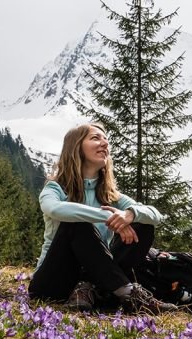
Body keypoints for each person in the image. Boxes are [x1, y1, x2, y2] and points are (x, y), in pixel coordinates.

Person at [28, 122, 177, 313]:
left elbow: (156, 216)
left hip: (95, 285)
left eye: (105, 139)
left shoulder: (110, 196)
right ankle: (129, 293)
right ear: (76, 147)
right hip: (53, 283)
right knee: (78, 225)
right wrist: (107, 215)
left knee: (143, 226)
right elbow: (54, 209)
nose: (104, 143)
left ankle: (89, 288)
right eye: (95, 138)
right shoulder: (56, 188)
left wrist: (129, 214)